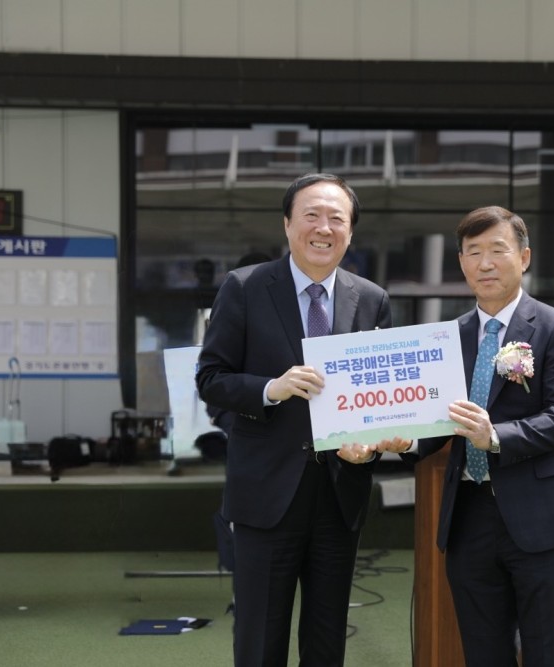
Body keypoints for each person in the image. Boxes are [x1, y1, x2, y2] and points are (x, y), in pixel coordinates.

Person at [196, 173, 407, 667]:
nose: (323, 228)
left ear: (350, 232)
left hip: (339, 492)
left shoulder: (371, 298)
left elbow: (377, 393)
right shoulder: (244, 287)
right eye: (311, 215)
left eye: (337, 218)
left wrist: (372, 441)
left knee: (327, 638)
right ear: (288, 224)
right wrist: (272, 388)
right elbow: (210, 378)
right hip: (266, 492)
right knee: (259, 638)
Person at [379, 206, 554, 667]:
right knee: (482, 652)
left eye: (497, 250)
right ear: (461, 262)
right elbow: (437, 420)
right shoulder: (447, 338)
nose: (485, 263)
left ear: (524, 257)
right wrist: (408, 442)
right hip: (469, 518)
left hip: (544, 517)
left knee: (547, 651)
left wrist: (494, 436)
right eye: (473, 252)